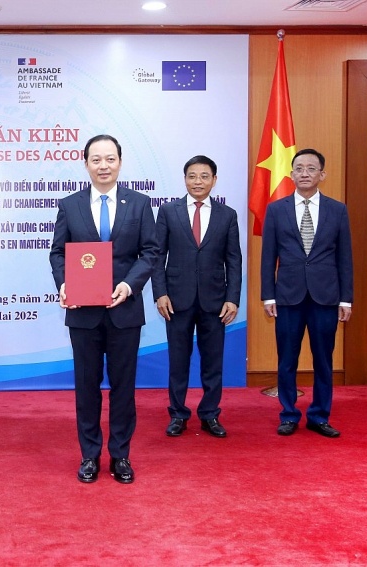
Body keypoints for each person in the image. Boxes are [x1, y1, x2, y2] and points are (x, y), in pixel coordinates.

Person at [49, 134, 158, 484]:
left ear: (120, 163)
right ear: (86, 164)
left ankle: (121, 455)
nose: (103, 166)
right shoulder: (70, 205)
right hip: (84, 312)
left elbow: (150, 252)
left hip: (125, 310)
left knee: (124, 387)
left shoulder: (139, 204)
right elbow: (58, 252)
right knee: (87, 386)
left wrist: (129, 285)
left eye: (110, 159)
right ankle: (90, 455)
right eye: (96, 160)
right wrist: (64, 283)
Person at [261, 148, 353, 438]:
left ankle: (319, 416)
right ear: (291, 174)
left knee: (323, 360)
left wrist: (346, 299)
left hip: (326, 297)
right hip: (288, 296)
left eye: (311, 168)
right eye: (299, 168)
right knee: (287, 359)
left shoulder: (337, 210)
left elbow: (345, 258)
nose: (304, 173)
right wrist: (268, 295)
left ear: (322, 175)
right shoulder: (276, 210)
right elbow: (268, 256)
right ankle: (289, 414)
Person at [152, 155, 242, 438]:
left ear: (214, 180)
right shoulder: (168, 211)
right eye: (192, 176)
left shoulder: (227, 215)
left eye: (204, 176)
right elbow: (157, 256)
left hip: (215, 301)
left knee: (213, 362)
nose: (198, 181)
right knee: (178, 361)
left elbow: (234, 260)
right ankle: (178, 414)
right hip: (176, 300)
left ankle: (210, 414)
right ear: (184, 179)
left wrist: (233, 298)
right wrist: (160, 293)